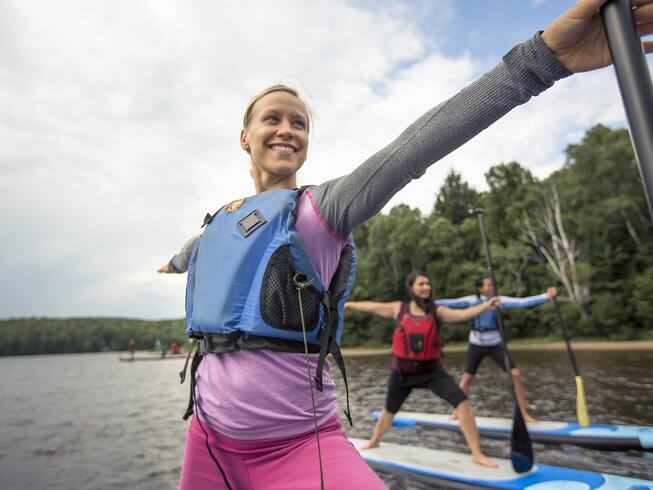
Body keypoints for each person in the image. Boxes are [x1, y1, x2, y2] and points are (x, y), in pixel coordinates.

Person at [157, 2, 653, 487]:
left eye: (299, 122)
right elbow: (194, 249)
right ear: (245, 137)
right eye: (272, 119)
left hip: (299, 448)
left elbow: (415, 146)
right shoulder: (219, 222)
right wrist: (173, 262)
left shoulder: (324, 208)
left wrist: (542, 61)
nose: (286, 129)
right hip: (207, 441)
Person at [345, 270, 501, 467]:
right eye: (421, 284)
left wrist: (486, 305)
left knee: (462, 402)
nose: (426, 287)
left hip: (432, 371)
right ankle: (374, 441)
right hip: (403, 372)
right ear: (411, 288)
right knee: (389, 409)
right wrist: (348, 304)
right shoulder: (398, 308)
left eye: (428, 283)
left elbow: (463, 314)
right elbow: (371, 306)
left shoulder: (437, 311)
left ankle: (477, 453)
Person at [436, 277, 557, 423]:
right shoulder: (471, 301)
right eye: (488, 285)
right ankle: (457, 411)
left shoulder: (499, 300)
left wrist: (546, 296)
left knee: (515, 374)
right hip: (476, 344)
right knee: (467, 379)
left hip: (495, 345)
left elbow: (522, 302)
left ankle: (523, 413)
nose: (492, 287)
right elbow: (450, 303)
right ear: (480, 289)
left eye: (492, 284)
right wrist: (423, 302)